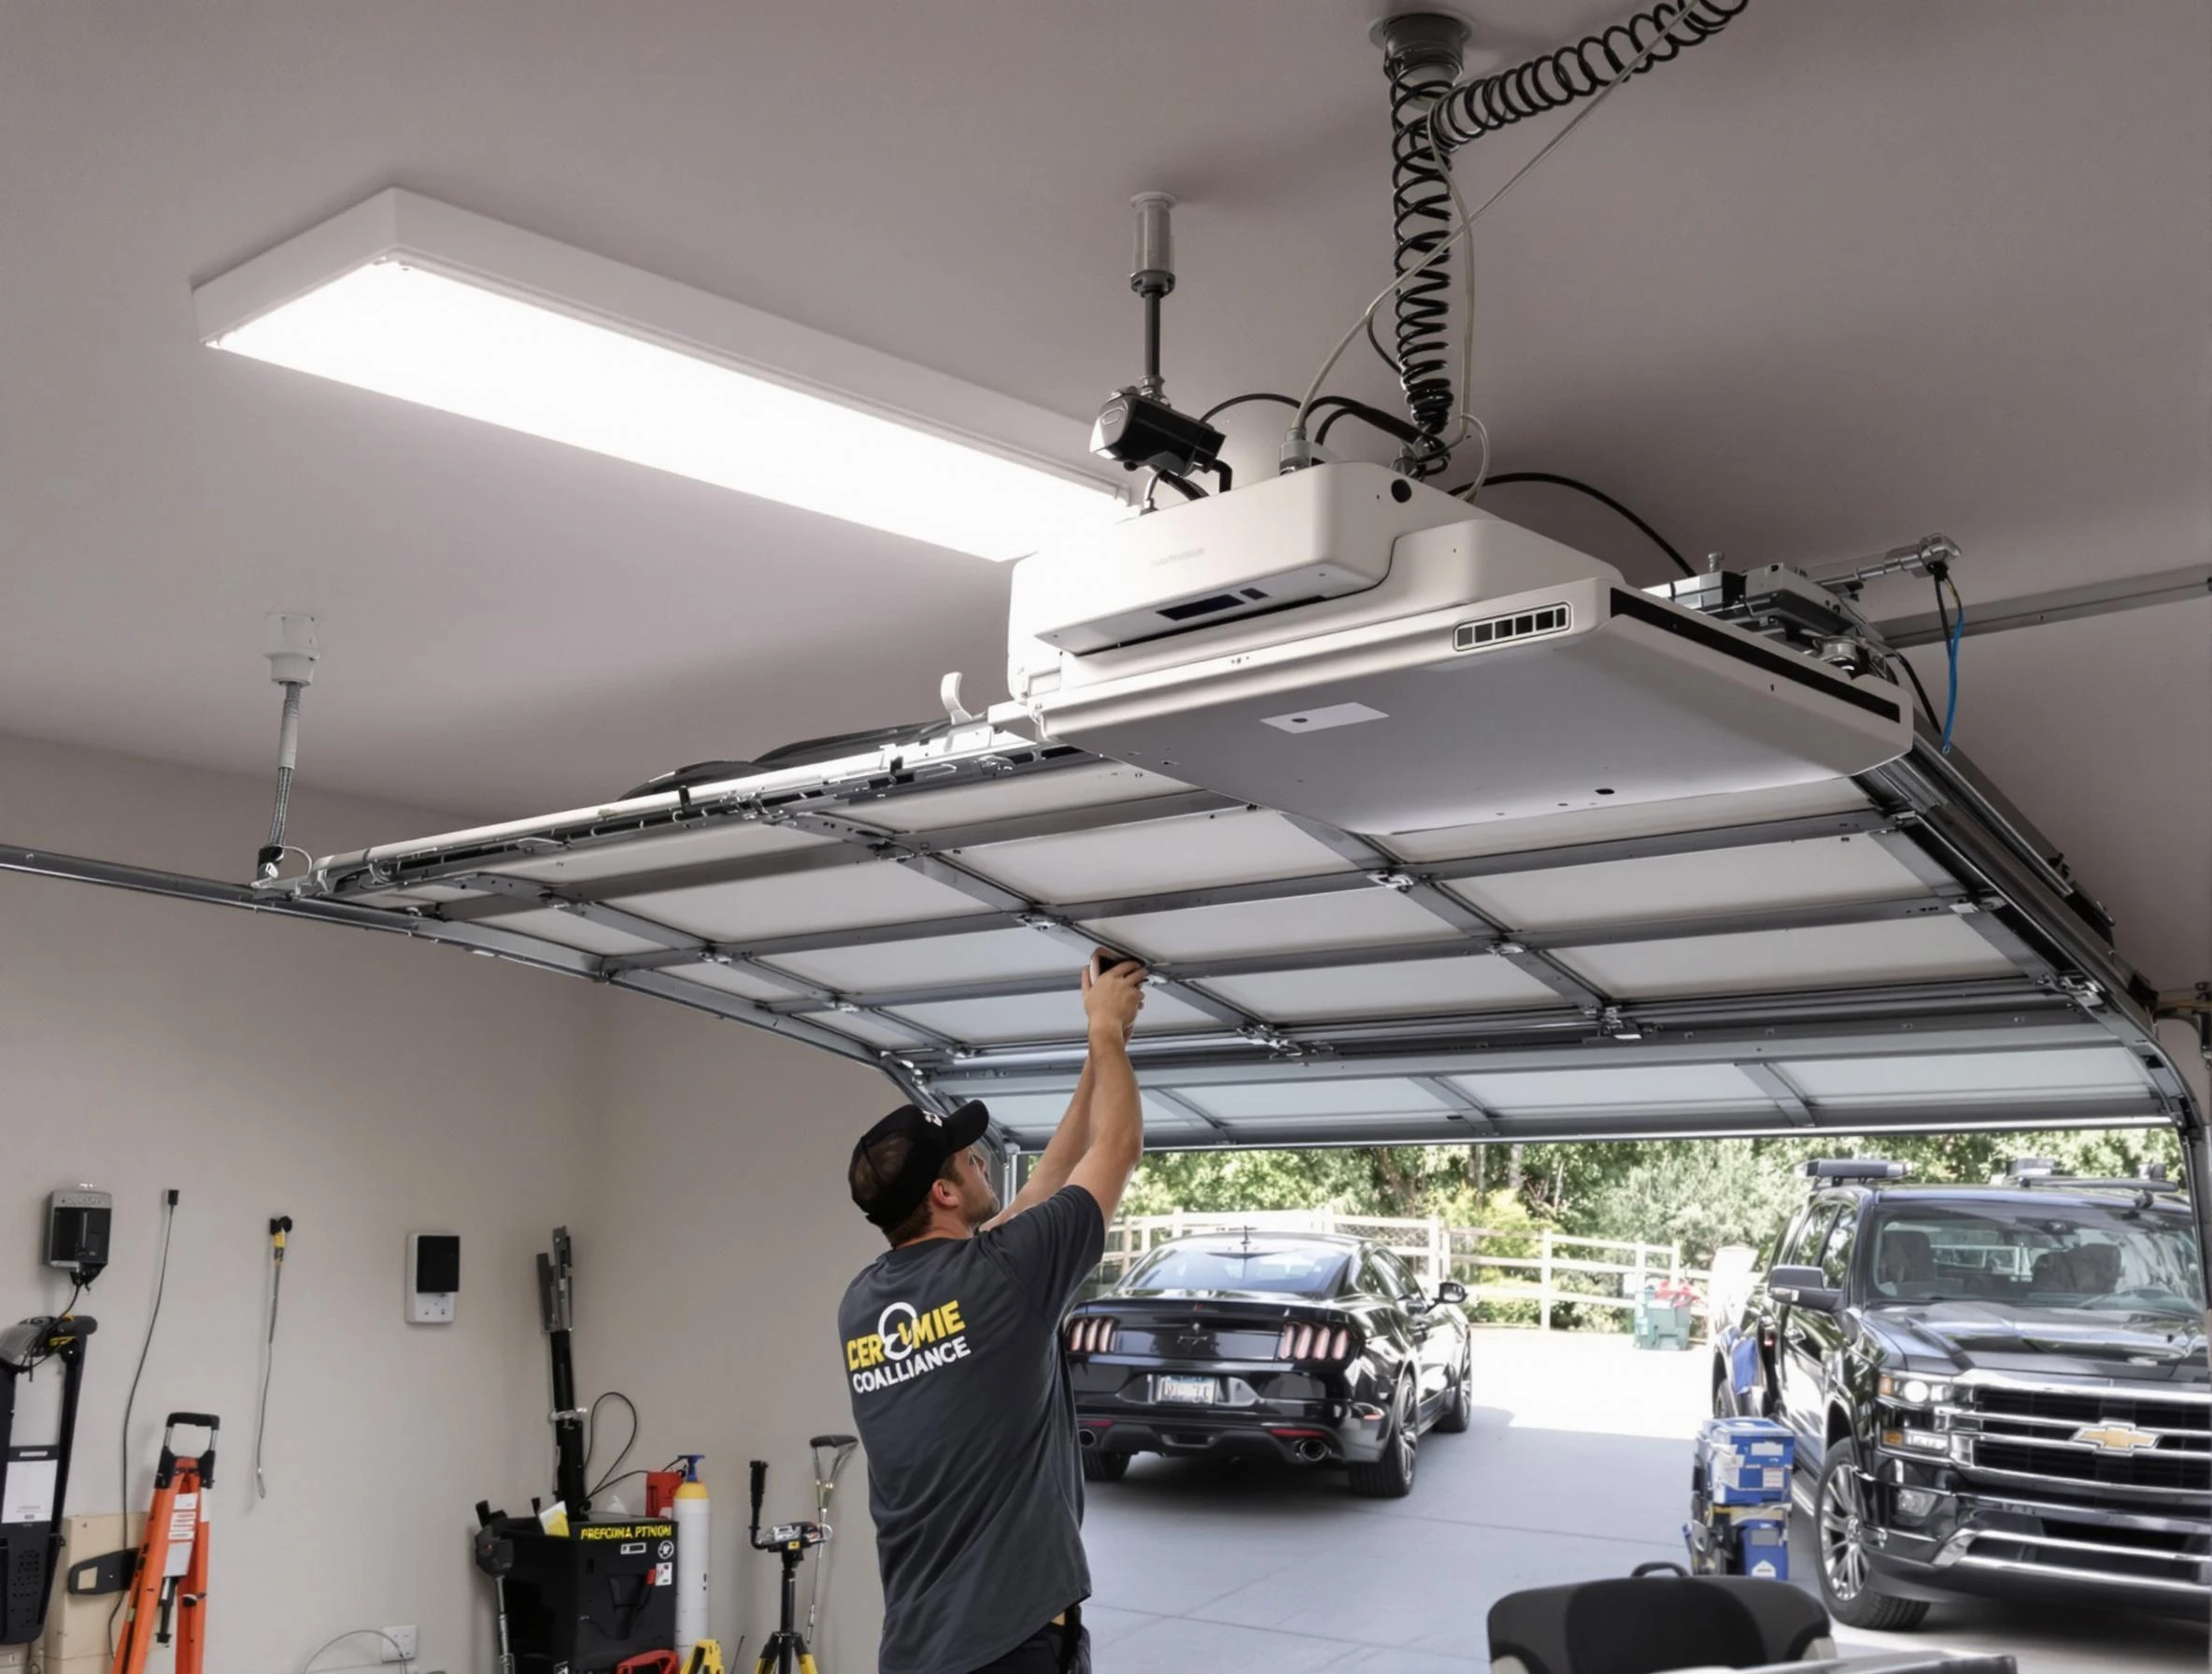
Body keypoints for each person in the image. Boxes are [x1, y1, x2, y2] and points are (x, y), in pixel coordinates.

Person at [839, 952, 1149, 1674]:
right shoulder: (1006, 1273)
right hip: (1014, 1649)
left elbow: (1046, 1182)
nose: (980, 1155)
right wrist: (1105, 1032)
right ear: (943, 1195)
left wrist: (1103, 1046)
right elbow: (1120, 1149)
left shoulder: (863, 1303)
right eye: (964, 1157)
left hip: (918, 1650)